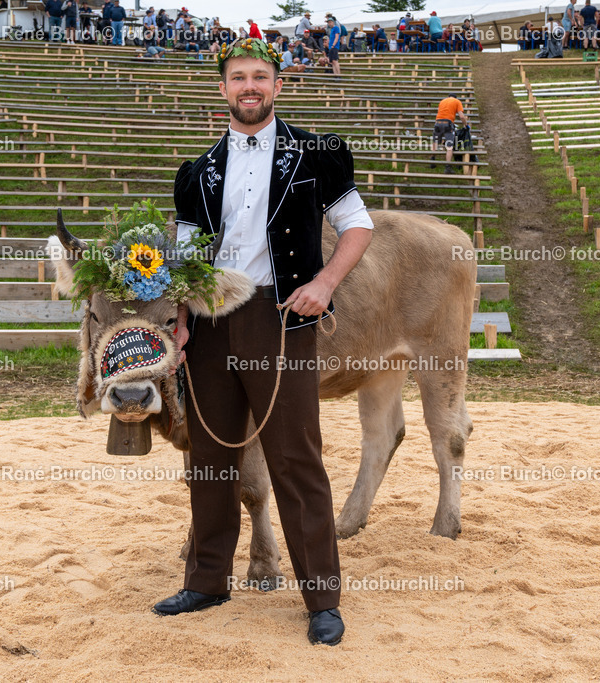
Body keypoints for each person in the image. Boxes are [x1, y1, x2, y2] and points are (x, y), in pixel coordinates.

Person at [164, 35, 373, 648]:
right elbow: (184, 254)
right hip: (207, 320)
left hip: (278, 319)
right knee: (208, 458)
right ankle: (206, 580)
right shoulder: (195, 170)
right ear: (223, 88)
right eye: (238, 78)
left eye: (260, 76)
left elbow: (355, 225)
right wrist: (180, 320)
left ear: (277, 85)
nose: (249, 86)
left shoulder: (317, 152)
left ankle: (321, 599)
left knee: (295, 458)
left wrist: (325, 283)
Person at [433, 93, 470, 171]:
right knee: (449, 146)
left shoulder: (442, 101)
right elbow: (462, 116)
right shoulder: (457, 101)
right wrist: (466, 125)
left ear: (448, 97)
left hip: (437, 123)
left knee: (435, 142)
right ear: (455, 97)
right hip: (448, 124)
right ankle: (447, 167)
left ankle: (432, 160)